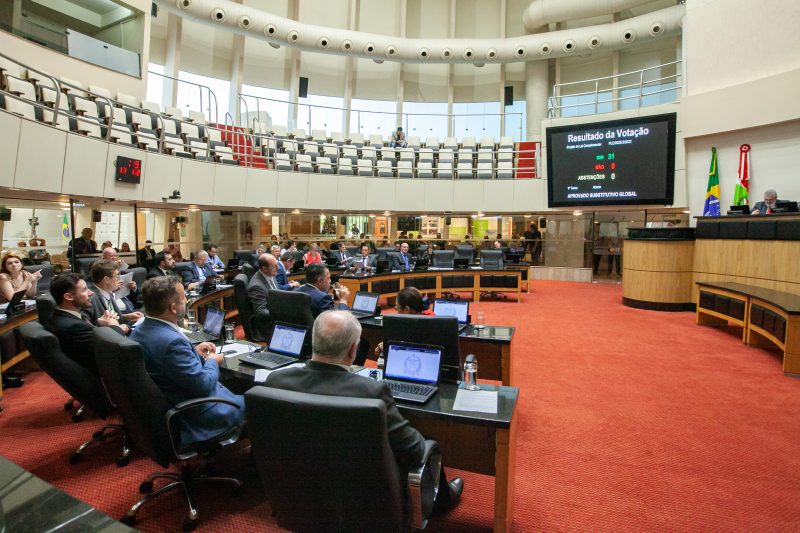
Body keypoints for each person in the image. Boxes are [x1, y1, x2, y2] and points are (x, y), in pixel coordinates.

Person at [266, 311, 462, 512]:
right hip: (363, 498)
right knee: (425, 442)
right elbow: (415, 450)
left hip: (300, 491)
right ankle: (441, 504)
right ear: (353, 351)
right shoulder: (371, 392)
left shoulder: (276, 381)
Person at [130, 277, 245, 447]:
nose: (186, 300)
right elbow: (203, 385)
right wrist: (212, 361)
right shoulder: (171, 342)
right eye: (184, 297)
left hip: (171, 402)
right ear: (173, 307)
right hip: (199, 414)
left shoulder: (140, 331)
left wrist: (193, 351)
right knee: (262, 401)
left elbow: (168, 364)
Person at [46, 273, 124, 376]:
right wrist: (115, 326)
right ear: (68, 297)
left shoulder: (62, 316)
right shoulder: (72, 327)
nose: (91, 293)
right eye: (84, 290)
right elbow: (110, 348)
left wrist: (99, 323)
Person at [88, 260, 142, 334]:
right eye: (117, 276)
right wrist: (116, 328)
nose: (119, 279)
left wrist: (126, 316)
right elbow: (90, 327)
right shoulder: (91, 298)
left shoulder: (108, 293)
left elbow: (110, 318)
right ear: (106, 279)